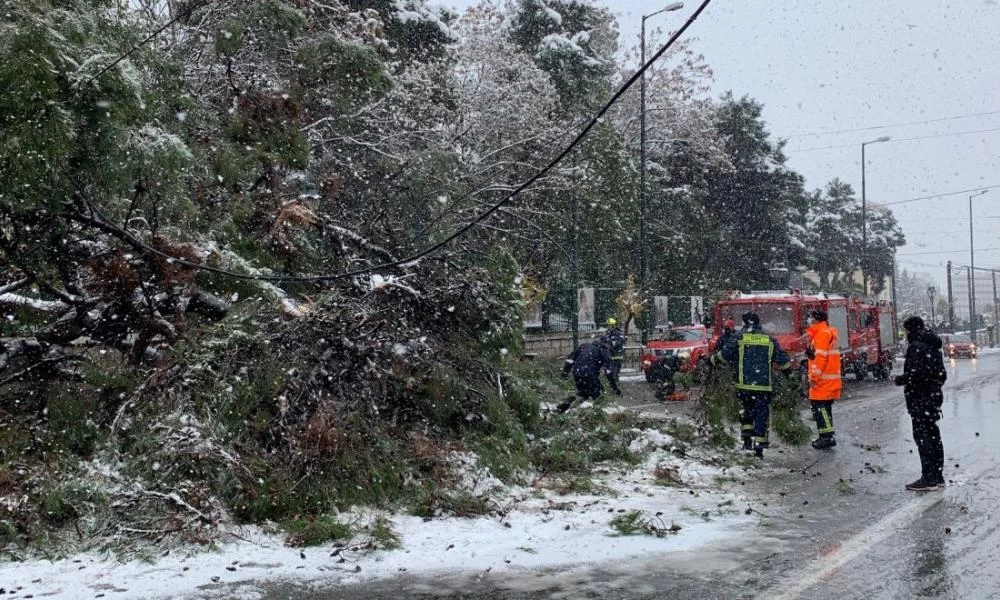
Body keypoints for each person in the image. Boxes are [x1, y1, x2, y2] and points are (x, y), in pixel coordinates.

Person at [712, 311, 793, 458]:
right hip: (763, 385)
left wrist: (711, 361)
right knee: (761, 413)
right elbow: (783, 361)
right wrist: (789, 375)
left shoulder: (739, 337)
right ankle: (759, 446)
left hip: (744, 384)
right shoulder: (769, 338)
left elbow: (724, 355)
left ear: (745, 323)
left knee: (747, 411)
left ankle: (747, 440)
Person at [894, 316, 947, 491]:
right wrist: (933, 387)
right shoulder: (933, 346)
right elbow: (941, 375)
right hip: (933, 398)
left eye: (907, 330)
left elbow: (916, 375)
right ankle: (938, 476)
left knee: (923, 437)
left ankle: (928, 478)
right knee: (933, 436)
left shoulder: (916, 347)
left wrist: (901, 380)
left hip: (919, 399)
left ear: (911, 330)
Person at [804, 309, 842, 449]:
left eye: (810, 317)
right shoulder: (824, 333)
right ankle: (825, 436)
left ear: (816, 319)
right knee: (821, 408)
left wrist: (814, 376)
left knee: (821, 409)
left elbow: (821, 358)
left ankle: (827, 437)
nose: (808, 320)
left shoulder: (821, 334)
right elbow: (821, 356)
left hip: (823, 380)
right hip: (827, 378)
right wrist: (812, 356)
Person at [559, 336, 621, 412]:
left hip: (577, 373)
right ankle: (598, 415)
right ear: (608, 344)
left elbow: (570, 360)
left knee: (582, 393)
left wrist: (565, 373)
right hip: (590, 375)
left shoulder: (584, 346)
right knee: (600, 396)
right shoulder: (604, 350)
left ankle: (562, 408)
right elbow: (609, 372)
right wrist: (614, 387)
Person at [603, 317, 626, 382]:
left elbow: (617, 344)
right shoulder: (608, 333)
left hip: (616, 356)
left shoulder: (617, 333)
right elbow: (604, 341)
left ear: (613, 325)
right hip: (609, 356)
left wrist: (609, 343)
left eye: (609, 325)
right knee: (608, 373)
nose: (608, 326)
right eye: (607, 325)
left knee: (615, 373)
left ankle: (615, 386)